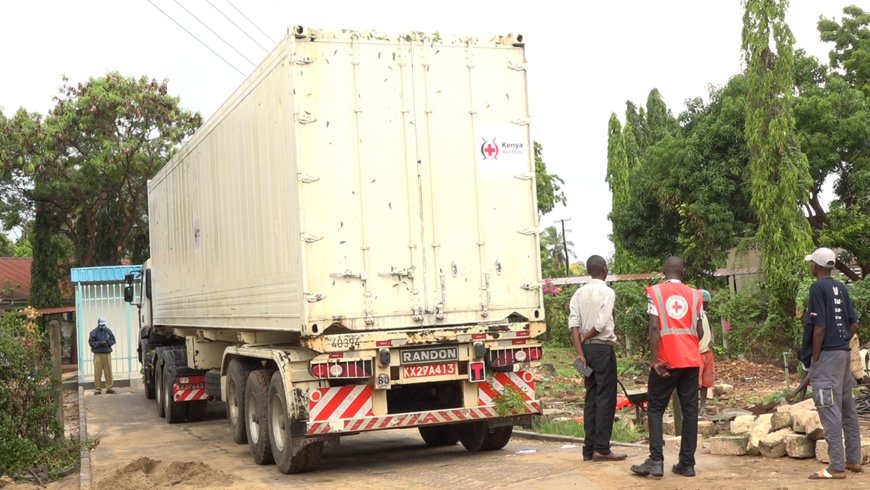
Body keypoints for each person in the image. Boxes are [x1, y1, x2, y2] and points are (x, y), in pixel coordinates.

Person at [631, 256, 703, 479]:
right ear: (683, 271)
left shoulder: (656, 293)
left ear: (664, 271)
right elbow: (699, 330)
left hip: (666, 361)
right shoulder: (695, 295)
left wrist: (654, 359)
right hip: (690, 360)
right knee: (690, 411)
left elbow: (654, 326)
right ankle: (687, 463)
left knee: (655, 408)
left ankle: (656, 460)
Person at [801, 247, 861, 480]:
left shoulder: (817, 288)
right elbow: (853, 323)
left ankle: (836, 466)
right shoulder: (841, 287)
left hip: (826, 357)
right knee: (847, 407)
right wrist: (842, 341)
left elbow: (820, 327)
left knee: (829, 409)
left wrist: (815, 359)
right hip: (843, 355)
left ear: (816, 266)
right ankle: (853, 459)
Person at [568, 255, 626, 462]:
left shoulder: (578, 293)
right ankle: (602, 448)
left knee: (591, 397)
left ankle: (589, 448)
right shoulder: (607, 292)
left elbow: (573, 324)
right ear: (604, 268)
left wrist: (580, 352)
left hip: (586, 352)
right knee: (605, 398)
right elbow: (601, 324)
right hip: (602, 349)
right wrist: (587, 336)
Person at [697, 289, 715, 417]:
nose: (707, 305)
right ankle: (693, 408)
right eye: (705, 302)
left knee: (705, 383)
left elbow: (709, 329)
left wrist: (711, 341)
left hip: (707, 352)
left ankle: (703, 407)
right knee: (695, 383)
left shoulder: (705, 315)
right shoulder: (693, 315)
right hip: (697, 353)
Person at [89, 317, 116, 395]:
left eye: (103, 324)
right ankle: (98, 389)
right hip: (98, 354)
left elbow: (113, 340)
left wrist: (108, 343)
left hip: (107, 354)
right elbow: (91, 343)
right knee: (97, 372)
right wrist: (100, 343)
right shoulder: (93, 332)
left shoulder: (108, 331)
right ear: (98, 324)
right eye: (101, 324)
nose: (102, 326)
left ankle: (109, 388)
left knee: (109, 372)